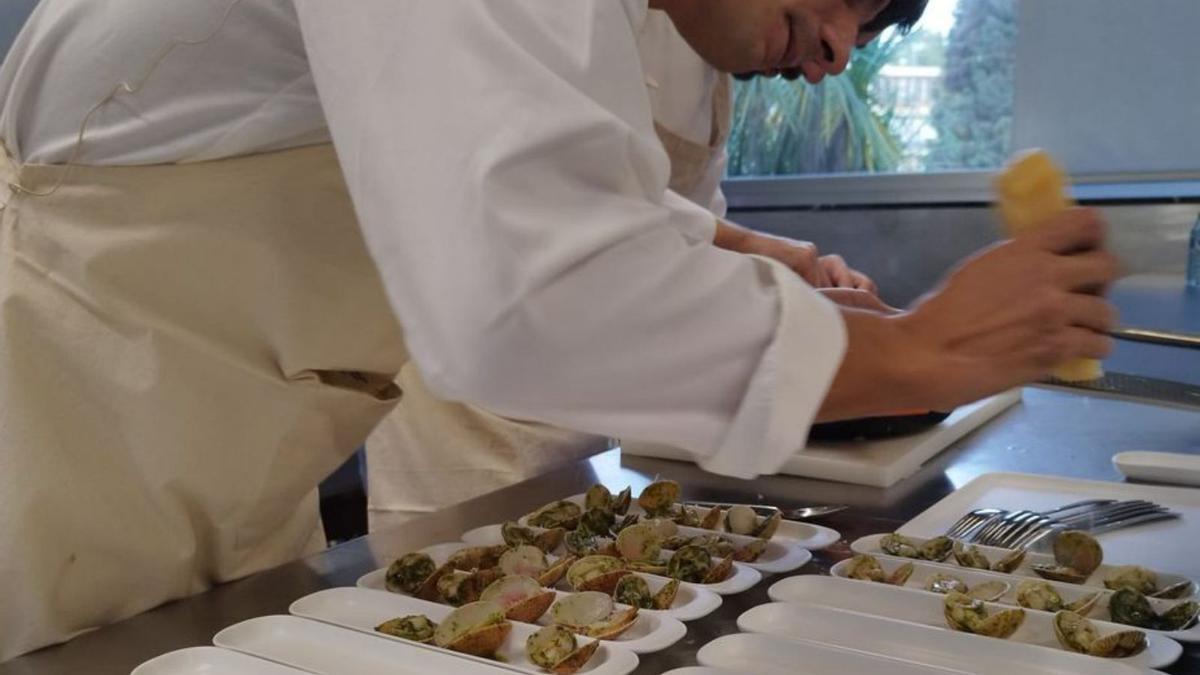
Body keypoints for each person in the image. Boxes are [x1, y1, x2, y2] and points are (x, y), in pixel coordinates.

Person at [0, 0, 1118, 660]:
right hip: (81, 421)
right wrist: (926, 351)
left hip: (247, 435)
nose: (836, 46)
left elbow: (581, 211)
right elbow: (526, 285)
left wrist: (816, 307)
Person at [364, 7, 888, 531]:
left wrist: (781, 278)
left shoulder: (716, 44)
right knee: (450, 575)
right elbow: (536, 181)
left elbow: (677, 232)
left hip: (596, 405)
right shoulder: (556, 21)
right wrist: (912, 347)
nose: (837, 58)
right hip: (478, 402)